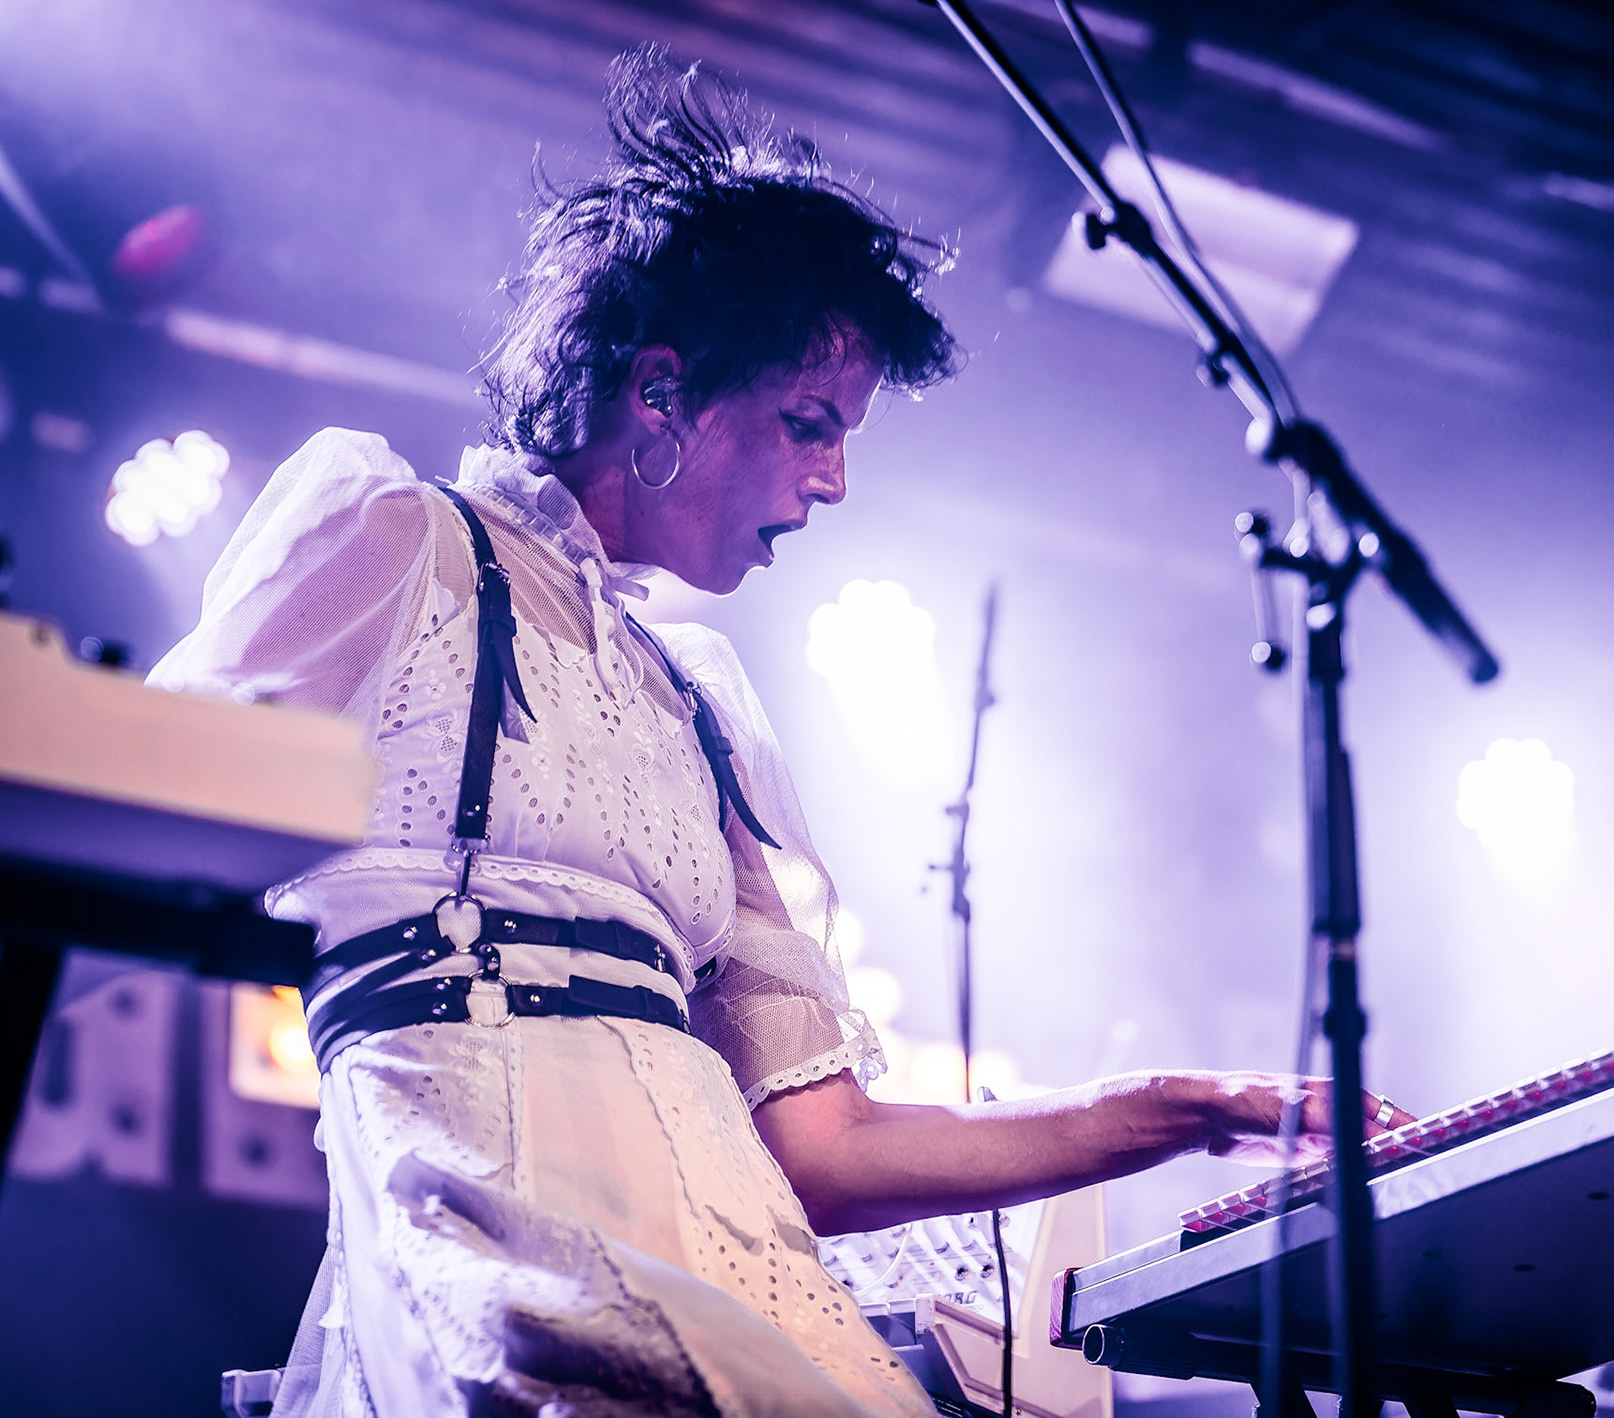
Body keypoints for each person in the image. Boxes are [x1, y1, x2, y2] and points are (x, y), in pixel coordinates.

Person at [151, 49, 1410, 1418]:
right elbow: (113, 809)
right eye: (809, 424)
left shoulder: (695, 701)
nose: (836, 480)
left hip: (736, 1249)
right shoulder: (401, 542)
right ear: (661, 392)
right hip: (491, 1220)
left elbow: (825, 1145)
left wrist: (1184, 1109)